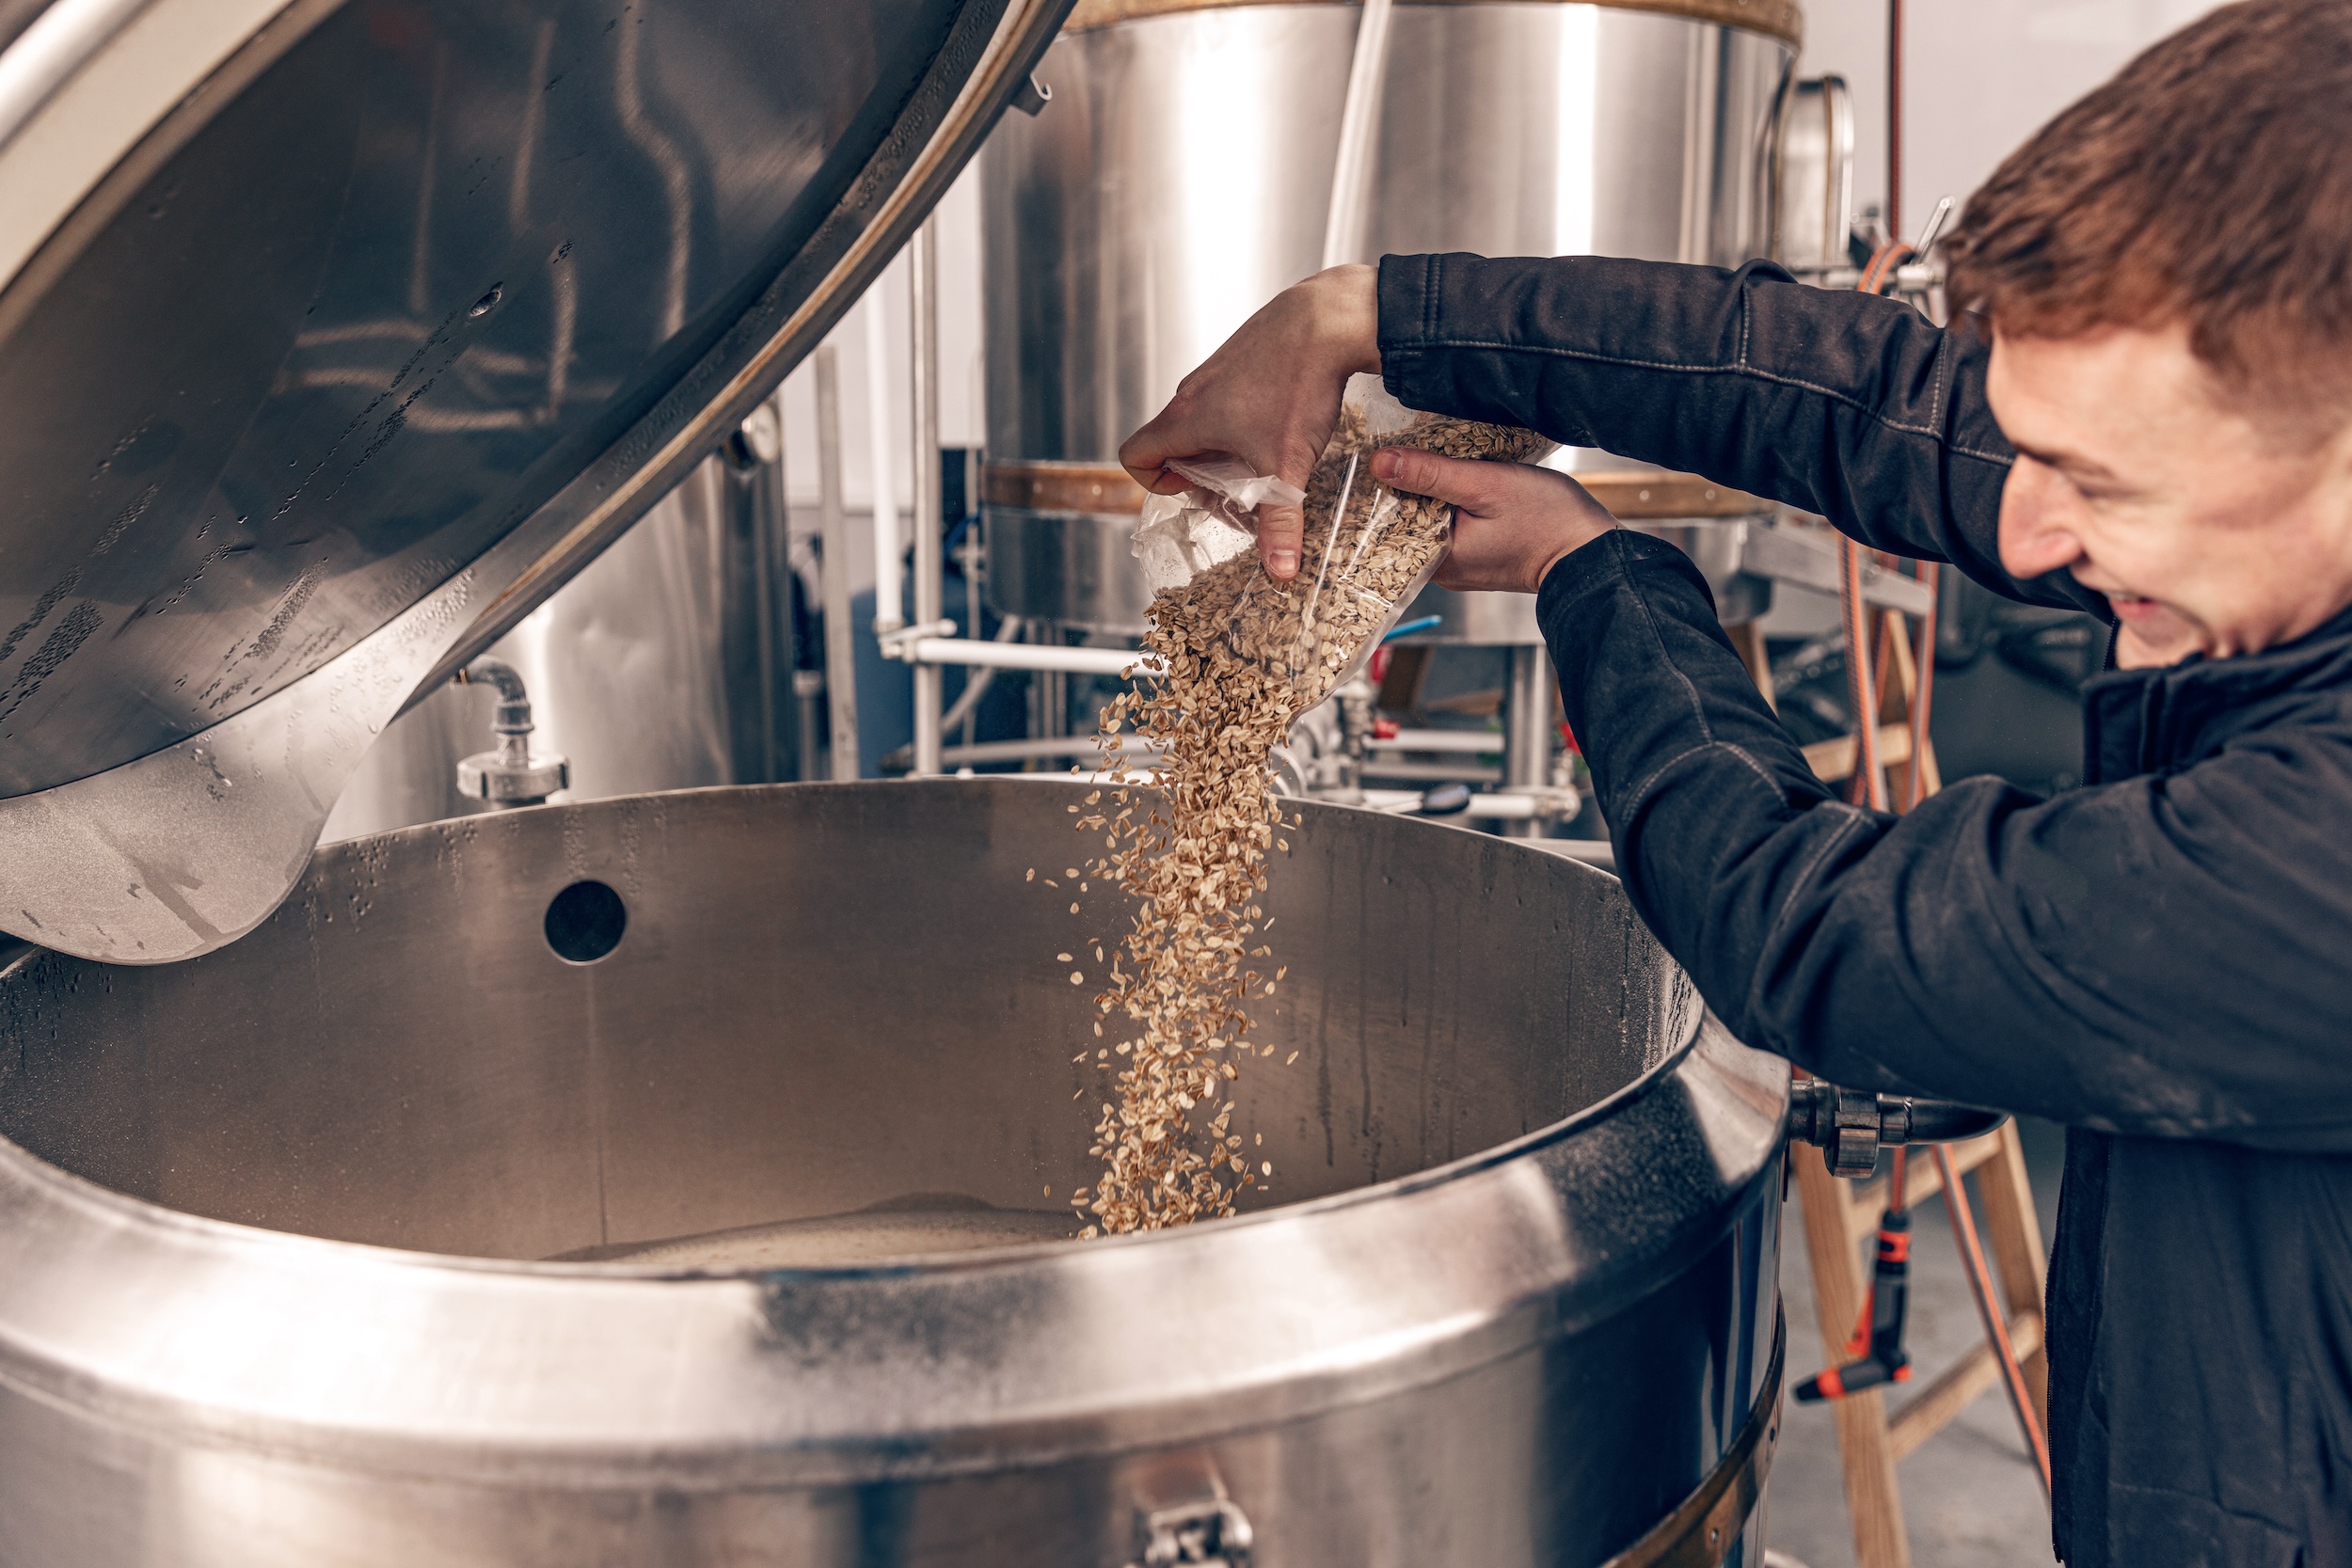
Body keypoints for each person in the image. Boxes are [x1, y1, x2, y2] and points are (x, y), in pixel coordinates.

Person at [1118, 1, 2352, 1562]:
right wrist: (1370, 315)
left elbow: (1818, 929)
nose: (2026, 541)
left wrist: (1596, 572)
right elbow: (1871, 405)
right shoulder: (2272, 509)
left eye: (2099, 487)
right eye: (2042, 456)